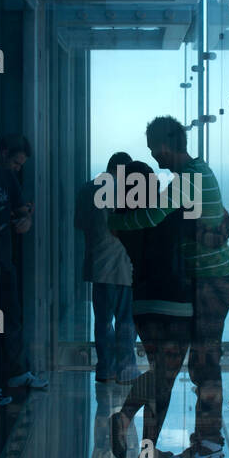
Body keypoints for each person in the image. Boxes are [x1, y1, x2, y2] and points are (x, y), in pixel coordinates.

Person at [108, 116, 229, 458]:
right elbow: (222, 222)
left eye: (154, 148)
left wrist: (115, 222)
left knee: (204, 365)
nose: (154, 156)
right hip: (209, 282)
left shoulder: (189, 178)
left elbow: (153, 217)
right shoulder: (195, 173)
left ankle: (208, 446)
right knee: (197, 365)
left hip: (210, 282)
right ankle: (203, 443)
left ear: (164, 145)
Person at [108, 160, 192, 458]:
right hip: (176, 304)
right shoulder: (169, 214)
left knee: (160, 373)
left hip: (143, 304)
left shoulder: (124, 221)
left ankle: (137, 435)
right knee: (164, 380)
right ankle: (140, 439)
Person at [74, 152, 135, 383]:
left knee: (102, 321)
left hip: (97, 265)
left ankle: (104, 369)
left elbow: (79, 224)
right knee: (126, 321)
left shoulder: (87, 189)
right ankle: (125, 369)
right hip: (123, 266)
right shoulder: (127, 191)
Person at [0, 134, 47, 401]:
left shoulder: (7, 179)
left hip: (3, 262)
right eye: (15, 162)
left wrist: (26, 218)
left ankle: (12, 373)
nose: (17, 168)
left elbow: (20, 212)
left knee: (9, 320)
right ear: (2, 151)